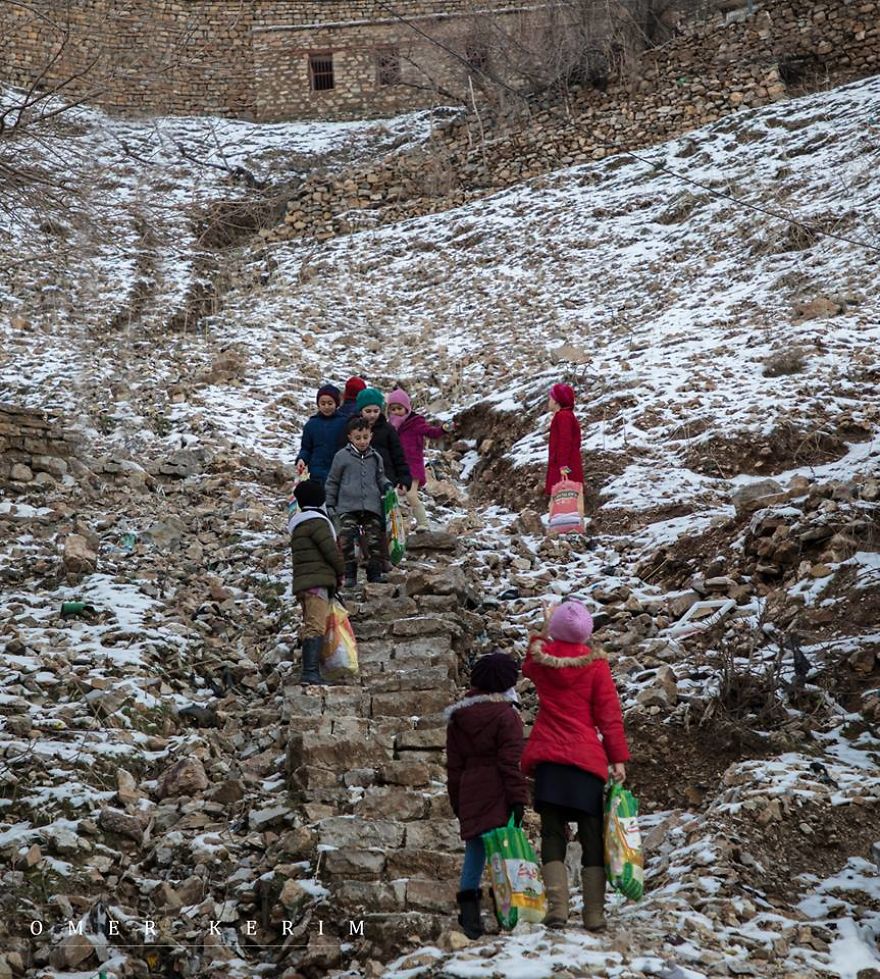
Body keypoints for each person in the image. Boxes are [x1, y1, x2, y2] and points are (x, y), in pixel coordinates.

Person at [521, 600, 629, 931]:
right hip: (586, 762)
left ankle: (558, 909)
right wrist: (618, 758)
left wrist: (545, 625)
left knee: (553, 831)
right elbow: (608, 716)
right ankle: (594, 913)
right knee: (591, 834)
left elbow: (528, 661)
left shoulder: (543, 662)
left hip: (551, 760)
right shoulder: (595, 667)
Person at [446, 651, 529, 940]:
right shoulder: (507, 715)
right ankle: (505, 911)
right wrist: (518, 799)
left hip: (469, 788)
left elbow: (453, 766)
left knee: (475, 853)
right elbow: (510, 763)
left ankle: (470, 918)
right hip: (497, 790)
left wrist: (457, 801)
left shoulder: (459, 716)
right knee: (503, 850)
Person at [287, 479, 344, 687]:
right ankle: (310, 672)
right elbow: (331, 551)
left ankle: (311, 669)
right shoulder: (317, 522)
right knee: (316, 626)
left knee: (311, 622)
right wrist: (341, 571)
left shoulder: (298, 523)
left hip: (303, 583)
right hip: (317, 583)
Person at [325, 417, 393, 586]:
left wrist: (387, 485)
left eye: (365, 437)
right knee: (346, 537)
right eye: (358, 438)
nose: (362, 441)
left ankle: (374, 572)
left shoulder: (376, 457)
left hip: (371, 505)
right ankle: (349, 573)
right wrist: (330, 503)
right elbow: (333, 481)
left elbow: (380, 476)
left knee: (374, 539)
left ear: (371, 436)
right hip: (347, 505)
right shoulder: (341, 457)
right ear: (350, 437)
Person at [386, 387, 453, 531]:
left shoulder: (416, 423)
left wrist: (443, 429)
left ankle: (423, 523)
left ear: (407, 408)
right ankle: (396, 527)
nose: (396, 412)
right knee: (394, 496)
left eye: (399, 408)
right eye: (393, 409)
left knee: (411, 495)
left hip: (412, 465)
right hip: (396, 467)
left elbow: (431, 432)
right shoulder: (390, 426)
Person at [296, 384, 348, 486]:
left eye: (330, 403)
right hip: (315, 472)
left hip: (337, 472)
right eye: (323, 403)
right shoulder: (311, 424)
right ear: (318, 404)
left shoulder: (344, 422)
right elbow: (306, 448)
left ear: (336, 403)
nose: (326, 407)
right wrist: (301, 459)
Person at [545, 382, 584, 496]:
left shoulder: (563, 416)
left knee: (564, 494)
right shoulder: (565, 415)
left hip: (564, 464)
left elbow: (565, 441)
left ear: (557, 401)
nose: (549, 401)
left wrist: (563, 466)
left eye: (550, 398)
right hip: (564, 463)